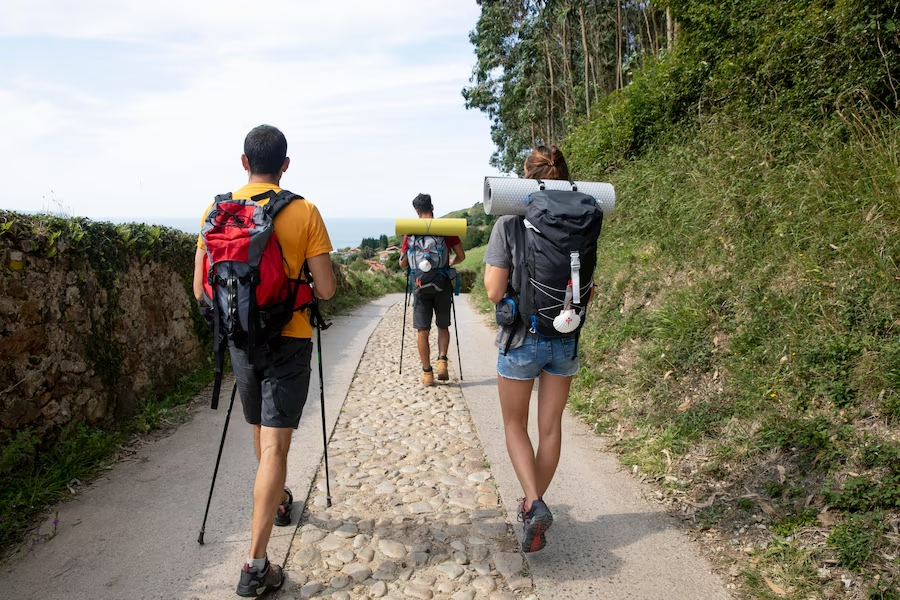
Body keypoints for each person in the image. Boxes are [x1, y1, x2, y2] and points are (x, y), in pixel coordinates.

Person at [192, 125, 336, 597]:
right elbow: (328, 288)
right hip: (289, 339)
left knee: (259, 430)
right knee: (276, 447)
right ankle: (255, 567)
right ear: (286, 165)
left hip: (240, 342)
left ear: (243, 162)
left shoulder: (217, 211)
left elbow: (200, 289)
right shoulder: (304, 210)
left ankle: (276, 502)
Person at [482, 145, 585, 553]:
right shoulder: (581, 221)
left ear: (525, 178)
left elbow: (492, 290)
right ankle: (532, 504)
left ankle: (534, 502)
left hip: (522, 339)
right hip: (566, 336)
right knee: (550, 428)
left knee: (513, 425)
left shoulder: (509, 223)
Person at [399, 193, 466, 386]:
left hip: (419, 286)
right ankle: (442, 361)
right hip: (442, 283)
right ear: (432, 207)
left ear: (416, 211)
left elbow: (404, 264)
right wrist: (449, 262)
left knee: (422, 330)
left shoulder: (410, 231)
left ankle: (427, 373)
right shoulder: (446, 229)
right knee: (443, 326)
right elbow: (461, 255)